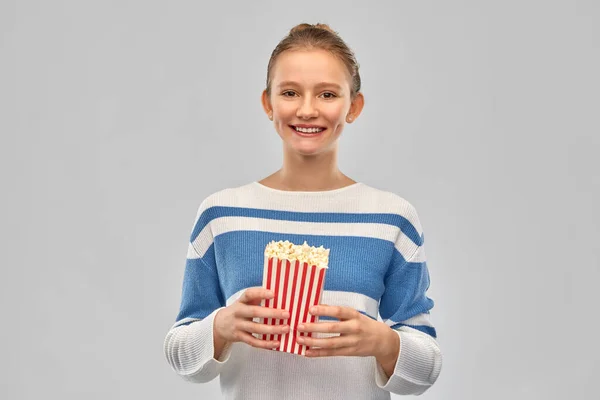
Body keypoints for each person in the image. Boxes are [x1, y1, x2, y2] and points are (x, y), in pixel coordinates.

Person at [163, 23, 442, 399]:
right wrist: (221, 326)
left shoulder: (391, 218)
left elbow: (425, 371)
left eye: (327, 94)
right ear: (268, 103)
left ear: (353, 107)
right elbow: (182, 357)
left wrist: (383, 342)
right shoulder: (222, 215)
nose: (307, 110)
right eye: (290, 92)